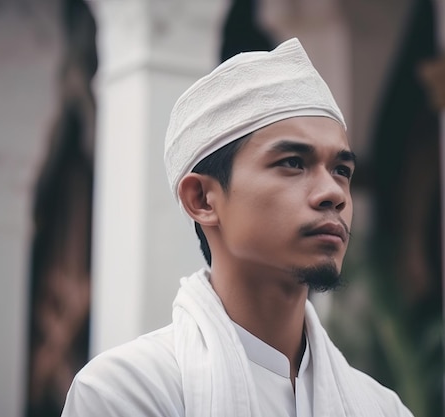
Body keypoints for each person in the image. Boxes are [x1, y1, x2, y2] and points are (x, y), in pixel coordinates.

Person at [61, 38, 414, 417]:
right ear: (202, 199)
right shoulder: (127, 393)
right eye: (293, 163)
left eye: (341, 171)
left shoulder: (382, 408)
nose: (334, 193)